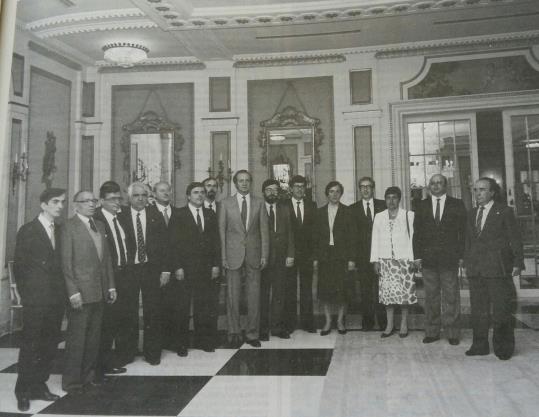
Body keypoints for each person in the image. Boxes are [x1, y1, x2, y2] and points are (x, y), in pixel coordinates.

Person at [14, 188, 66, 411]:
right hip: (36, 300)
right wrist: (29, 297)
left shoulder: (62, 230)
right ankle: (23, 391)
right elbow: (20, 267)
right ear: (43, 205)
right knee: (31, 345)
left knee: (49, 344)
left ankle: (39, 385)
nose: (60, 206)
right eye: (55, 202)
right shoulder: (28, 230)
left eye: (62, 202)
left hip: (56, 299)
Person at [61, 191, 116, 393]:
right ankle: (71, 382)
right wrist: (72, 292)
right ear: (76, 205)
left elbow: (107, 260)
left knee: (93, 338)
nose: (92, 204)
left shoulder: (100, 225)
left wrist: (111, 285)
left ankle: (88, 377)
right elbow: (66, 264)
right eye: (87, 201)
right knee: (77, 339)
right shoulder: (68, 227)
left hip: (100, 291)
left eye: (94, 200)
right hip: (80, 293)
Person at [464, 177, 523, 360]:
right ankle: (480, 345)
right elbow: (468, 242)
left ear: (492, 193)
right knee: (478, 310)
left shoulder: (504, 211)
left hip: (498, 268)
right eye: (475, 190)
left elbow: (515, 238)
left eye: (482, 190)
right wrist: (466, 263)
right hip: (476, 269)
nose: (478, 193)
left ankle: (503, 348)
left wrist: (518, 262)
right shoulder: (471, 213)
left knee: (501, 310)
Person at [118, 182, 170, 365]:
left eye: (143, 195)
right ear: (129, 198)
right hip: (129, 270)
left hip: (151, 269)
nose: (140, 199)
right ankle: (127, 352)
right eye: (136, 195)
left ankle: (152, 353)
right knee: (127, 311)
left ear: (149, 197)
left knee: (153, 311)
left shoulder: (155, 215)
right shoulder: (120, 216)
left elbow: (165, 245)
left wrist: (165, 270)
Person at [413, 174, 467, 345]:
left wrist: (461, 256)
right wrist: (417, 256)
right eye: (432, 183)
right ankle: (432, 331)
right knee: (431, 297)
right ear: (429, 186)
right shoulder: (421, 205)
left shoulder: (457, 204)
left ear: (446, 186)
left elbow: (463, 233)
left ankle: (452, 333)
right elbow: (417, 233)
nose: (435, 186)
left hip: (449, 259)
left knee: (451, 296)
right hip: (428, 259)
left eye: (439, 183)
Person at [218, 170, 269, 348]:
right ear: (235, 183)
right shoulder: (225, 204)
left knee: (254, 296)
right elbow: (222, 232)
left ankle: (252, 333)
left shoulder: (259, 203)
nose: (244, 183)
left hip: (254, 255)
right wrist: (223, 256)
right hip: (232, 255)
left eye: (247, 180)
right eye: (241, 181)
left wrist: (264, 254)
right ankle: (233, 332)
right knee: (232, 296)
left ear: (251, 183)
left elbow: (264, 231)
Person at [170, 182, 221, 353]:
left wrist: (215, 265)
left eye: (202, 192)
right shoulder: (178, 214)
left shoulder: (210, 214)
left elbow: (216, 243)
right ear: (188, 196)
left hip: (206, 269)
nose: (200, 195)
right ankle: (181, 345)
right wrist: (177, 267)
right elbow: (173, 244)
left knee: (204, 306)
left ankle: (204, 342)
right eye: (196, 192)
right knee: (182, 307)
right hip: (185, 269)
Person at [371, 186, 418, 338]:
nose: (391, 201)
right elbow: (375, 239)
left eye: (394, 198)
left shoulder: (408, 215)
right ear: (385, 200)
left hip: (403, 260)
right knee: (388, 295)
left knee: (404, 295)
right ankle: (390, 325)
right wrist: (375, 260)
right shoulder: (379, 216)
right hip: (385, 261)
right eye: (388, 198)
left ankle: (404, 324)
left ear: (399, 199)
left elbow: (413, 239)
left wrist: (412, 259)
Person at [94, 181, 129, 379]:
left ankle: (107, 362)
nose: (117, 202)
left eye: (119, 198)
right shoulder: (96, 219)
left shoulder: (121, 217)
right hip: (107, 278)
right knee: (104, 324)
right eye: (113, 199)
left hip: (123, 276)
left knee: (115, 321)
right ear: (101, 201)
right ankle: (99, 367)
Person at [313, 181, 356, 336]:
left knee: (342, 291)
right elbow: (316, 238)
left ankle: (339, 321)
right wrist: (316, 258)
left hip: (342, 256)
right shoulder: (319, 213)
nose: (334, 194)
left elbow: (352, 238)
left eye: (337, 191)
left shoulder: (348, 212)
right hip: (325, 257)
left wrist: (351, 259)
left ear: (341, 194)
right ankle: (327, 322)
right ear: (327, 194)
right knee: (325, 292)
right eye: (331, 191)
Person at [349, 176, 387, 331]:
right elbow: (351, 236)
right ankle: (368, 322)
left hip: (381, 256)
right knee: (365, 291)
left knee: (382, 290)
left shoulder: (383, 206)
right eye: (362, 186)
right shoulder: (352, 209)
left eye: (368, 186)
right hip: (362, 257)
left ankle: (383, 322)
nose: (365, 189)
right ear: (359, 189)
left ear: (373, 188)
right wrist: (353, 258)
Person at [260, 179, 295, 340]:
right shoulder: (258, 208)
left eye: (275, 190)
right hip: (262, 260)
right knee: (263, 294)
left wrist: (290, 254)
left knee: (279, 294)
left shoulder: (285, 209)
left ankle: (277, 327)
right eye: (268, 190)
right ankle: (263, 328)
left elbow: (290, 234)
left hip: (281, 258)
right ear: (263, 192)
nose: (272, 193)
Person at [284, 175, 317, 333]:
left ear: (305, 189)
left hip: (307, 255)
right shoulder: (282, 205)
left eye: (302, 186)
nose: (299, 189)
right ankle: (289, 323)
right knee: (289, 289)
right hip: (288, 254)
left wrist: (315, 256)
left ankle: (307, 322)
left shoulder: (312, 205)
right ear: (290, 188)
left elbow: (315, 233)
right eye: (296, 186)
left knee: (306, 289)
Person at [150, 181, 179, 352]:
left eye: (168, 190)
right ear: (154, 194)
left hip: (176, 268)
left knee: (174, 306)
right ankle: (156, 346)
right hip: (155, 269)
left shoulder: (178, 213)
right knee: (155, 308)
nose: (166, 193)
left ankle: (171, 341)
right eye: (162, 191)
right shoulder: (148, 212)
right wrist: (163, 268)